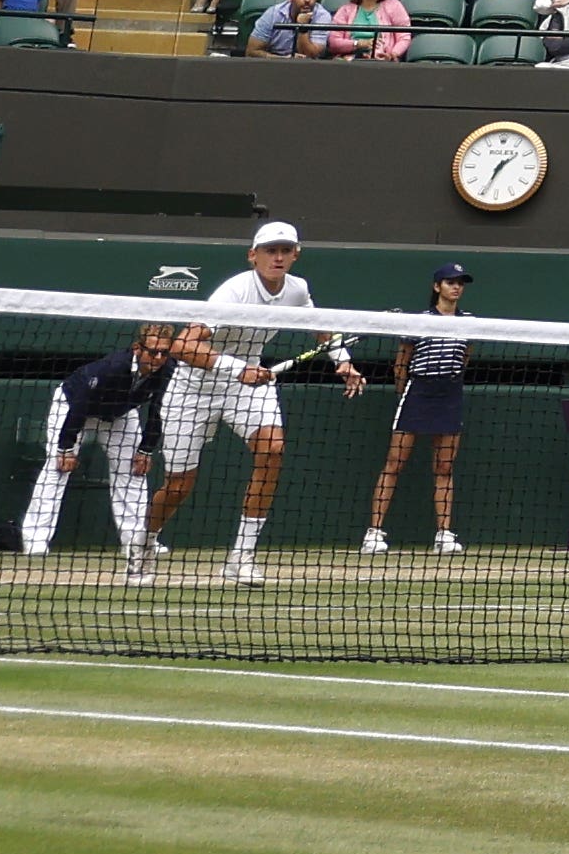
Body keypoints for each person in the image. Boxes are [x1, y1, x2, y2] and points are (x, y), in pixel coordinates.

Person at [176, 217, 360, 584]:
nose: (278, 257)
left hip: (247, 385)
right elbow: (183, 345)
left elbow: (320, 327)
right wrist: (236, 368)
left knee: (273, 450)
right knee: (179, 484)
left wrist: (343, 363)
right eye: (270, 251)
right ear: (253, 256)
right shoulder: (233, 293)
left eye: (285, 251)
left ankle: (240, 557)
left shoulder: (297, 290)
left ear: (296, 255)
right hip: (193, 387)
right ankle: (144, 545)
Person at [19, 315, 191, 576]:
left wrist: (146, 450)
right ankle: (35, 541)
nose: (157, 358)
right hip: (74, 408)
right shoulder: (112, 367)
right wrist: (66, 448)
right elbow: (79, 406)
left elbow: (159, 411)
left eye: (163, 353)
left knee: (133, 473)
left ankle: (137, 542)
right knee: (56, 470)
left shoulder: (169, 370)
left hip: (120, 416)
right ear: (137, 348)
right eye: (152, 351)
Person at [358, 261, 480, 555]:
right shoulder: (420, 320)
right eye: (450, 282)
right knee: (394, 463)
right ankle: (373, 534)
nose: (456, 287)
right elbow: (402, 361)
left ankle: (444, 535)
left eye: (460, 283)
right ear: (437, 287)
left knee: (444, 467)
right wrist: (406, 391)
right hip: (418, 392)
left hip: (449, 394)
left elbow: (465, 357)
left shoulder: (470, 322)